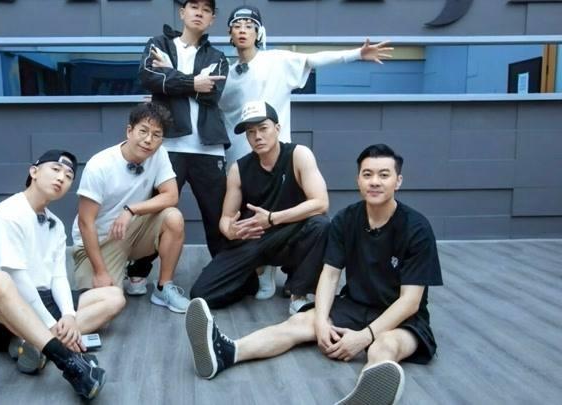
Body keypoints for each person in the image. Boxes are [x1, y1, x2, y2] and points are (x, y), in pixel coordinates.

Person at [185, 144, 444, 405]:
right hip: (355, 305)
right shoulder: (346, 219)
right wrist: (321, 322)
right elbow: (329, 276)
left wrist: (364, 337)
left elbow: (410, 302)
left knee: (384, 346)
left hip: (402, 317)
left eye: (384, 175)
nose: (374, 181)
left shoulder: (416, 228)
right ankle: (226, 352)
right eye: (367, 174)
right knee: (297, 323)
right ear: (358, 180)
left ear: (398, 181)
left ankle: (370, 394)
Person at [220, 6, 394, 300]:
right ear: (230, 33)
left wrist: (356, 54)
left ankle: (299, 281)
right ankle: (263, 274)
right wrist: (163, 94)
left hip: (280, 161)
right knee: (250, 217)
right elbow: (201, 98)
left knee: (298, 220)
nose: (243, 30)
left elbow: (315, 59)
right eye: (237, 25)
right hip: (241, 158)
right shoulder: (225, 73)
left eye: (249, 25)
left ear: (259, 32)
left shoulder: (278, 60)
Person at [0, 150, 124, 401]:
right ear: (34, 172)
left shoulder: (55, 224)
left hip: (38, 301)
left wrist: (68, 315)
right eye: (55, 170)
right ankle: (68, 361)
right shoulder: (9, 213)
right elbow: (15, 280)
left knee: (114, 297)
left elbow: (58, 276)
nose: (61, 178)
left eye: (68, 176)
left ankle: (31, 343)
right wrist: (50, 323)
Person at [189, 101, 331, 314]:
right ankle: (256, 275)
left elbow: (321, 203)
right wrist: (230, 230)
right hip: (254, 236)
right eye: (251, 132)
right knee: (201, 293)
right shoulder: (239, 168)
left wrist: (273, 218)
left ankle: (299, 293)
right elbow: (226, 218)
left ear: (277, 128)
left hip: (290, 231)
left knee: (320, 225)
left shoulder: (298, 155)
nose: (257, 136)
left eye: (263, 128)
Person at [132, 0, 230, 290]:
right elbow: (149, 78)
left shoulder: (217, 56)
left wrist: (171, 75)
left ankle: (226, 276)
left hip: (208, 149)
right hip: (168, 146)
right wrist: (192, 83)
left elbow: (212, 93)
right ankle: (137, 272)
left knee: (216, 215)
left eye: (206, 9)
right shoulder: (159, 44)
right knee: (154, 209)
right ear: (182, 12)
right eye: (194, 6)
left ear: (212, 19)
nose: (199, 12)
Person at [71, 102, 189, 314]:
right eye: (143, 131)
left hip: (132, 230)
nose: (148, 140)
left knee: (173, 218)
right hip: (100, 241)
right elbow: (85, 222)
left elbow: (172, 195)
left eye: (156, 135)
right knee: (103, 309)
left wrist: (131, 210)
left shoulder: (158, 154)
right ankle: (110, 271)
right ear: (129, 131)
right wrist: (100, 272)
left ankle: (163, 287)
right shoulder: (100, 165)